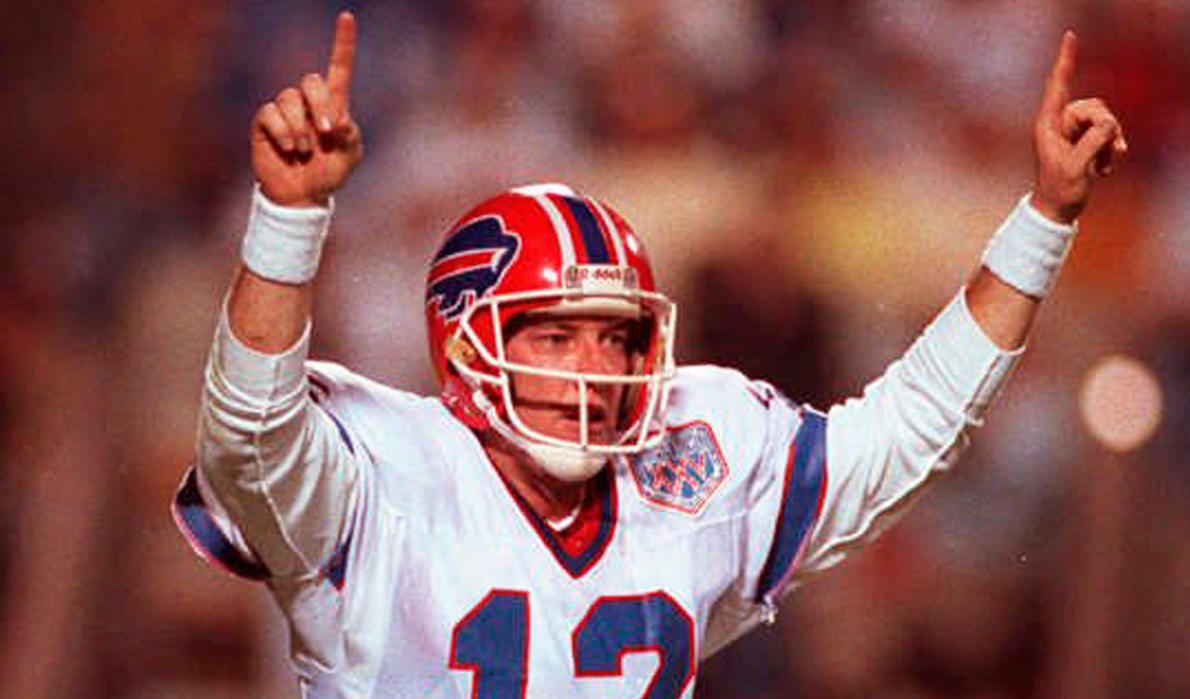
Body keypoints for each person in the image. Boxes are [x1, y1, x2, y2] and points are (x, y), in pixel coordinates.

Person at [173, 11, 1126, 698]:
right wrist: (289, 220)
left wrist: (1044, 218)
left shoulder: (691, 448)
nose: (594, 365)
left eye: (617, 336)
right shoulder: (379, 470)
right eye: (554, 334)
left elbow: (910, 428)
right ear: (467, 347)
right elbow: (250, 427)